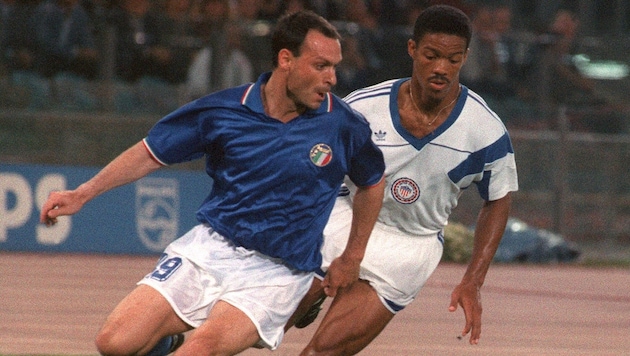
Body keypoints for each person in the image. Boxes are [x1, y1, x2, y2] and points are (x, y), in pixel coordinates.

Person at [39, 10, 385, 355]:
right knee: (114, 344)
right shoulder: (224, 110)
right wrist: (82, 193)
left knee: (199, 350)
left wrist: (352, 256)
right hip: (211, 247)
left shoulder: (343, 125)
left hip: (278, 271)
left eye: (334, 67)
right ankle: (164, 341)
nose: (332, 78)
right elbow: (150, 152)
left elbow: (372, 182)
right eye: (321, 65)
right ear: (286, 60)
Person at [290, 5, 518, 354]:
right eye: (431, 55)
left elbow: (499, 199)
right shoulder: (364, 107)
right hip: (344, 218)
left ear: (465, 58)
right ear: (412, 49)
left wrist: (473, 279)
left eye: (453, 60)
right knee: (265, 324)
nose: (441, 68)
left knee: (323, 351)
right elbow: (317, 160)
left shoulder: (484, 130)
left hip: (409, 245)